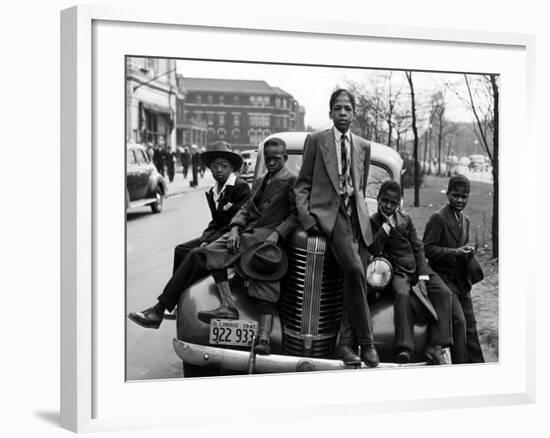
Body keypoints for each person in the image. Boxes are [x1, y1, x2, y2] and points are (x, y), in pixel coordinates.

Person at [129, 138, 298, 356]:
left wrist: (276, 234)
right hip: (247, 235)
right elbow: (246, 209)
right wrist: (236, 228)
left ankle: (161, 309)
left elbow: (295, 216)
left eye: (277, 159)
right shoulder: (261, 181)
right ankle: (217, 306)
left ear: (285, 158)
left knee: (212, 257)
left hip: (265, 239)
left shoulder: (291, 181)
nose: (272, 162)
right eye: (268, 159)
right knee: (206, 252)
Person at [294, 88, 379, 368]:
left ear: (354, 113)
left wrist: (362, 216)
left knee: (354, 278)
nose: (343, 113)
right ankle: (366, 344)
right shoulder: (317, 141)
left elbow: (361, 187)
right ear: (330, 112)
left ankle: (344, 344)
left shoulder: (363, 146)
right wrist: (309, 220)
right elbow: (302, 185)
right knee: (355, 270)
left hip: (357, 219)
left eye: (348, 108)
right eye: (338, 108)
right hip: (332, 215)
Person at [368, 181, 453, 364]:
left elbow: (418, 248)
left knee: (444, 293)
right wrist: (386, 227)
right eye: (385, 201)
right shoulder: (373, 222)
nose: (388, 206)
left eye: (393, 202)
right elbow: (374, 249)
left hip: (418, 269)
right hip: (398, 271)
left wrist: (423, 275)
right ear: (378, 200)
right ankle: (405, 347)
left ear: (399, 203)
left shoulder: (406, 219)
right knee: (401, 293)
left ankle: (437, 345)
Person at [423, 174, 485, 364]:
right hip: (443, 280)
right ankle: (460, 367)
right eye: (455, 195)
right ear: (448, 194)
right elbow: (428, 249)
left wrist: (468, 251)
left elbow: (461, 248)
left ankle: (479, 368)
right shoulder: (438, 218)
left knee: (471, 328)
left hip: (460, 281)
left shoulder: (464, 221)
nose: (459, 200)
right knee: (459, 322)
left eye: (464, 196)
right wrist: (455, 252)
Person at [172, 141, 251, 274]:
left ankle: (175, 292)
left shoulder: (240, 187)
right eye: (214, 166)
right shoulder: (213, 191)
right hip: (217, 235)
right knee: (180, 250)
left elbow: (235, 224)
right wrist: (205, 239)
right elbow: (216, 222)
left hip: (231, 238)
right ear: (210, 168)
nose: (219, 170)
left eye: (224, 166)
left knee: (195, 254)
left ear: (232, 168)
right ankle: (179, 290)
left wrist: (208, 241)